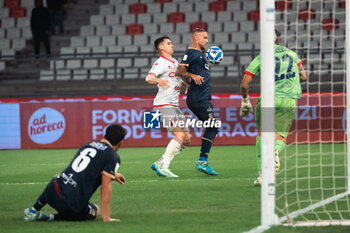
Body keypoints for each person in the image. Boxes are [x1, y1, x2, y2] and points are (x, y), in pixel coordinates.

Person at [240, 29, 307, 186]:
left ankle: (262, 175)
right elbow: (303, 76)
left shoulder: (262, 57)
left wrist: (245, 101)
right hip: (289, 99)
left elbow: (245, 83)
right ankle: (275, 150)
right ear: (279, 39)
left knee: (262, 135)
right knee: (280, 137)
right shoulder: (292, 54)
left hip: (269, 98)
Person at [24, 124, 126, 222]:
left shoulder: (88, 145)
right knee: (95, 210)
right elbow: (105, 188)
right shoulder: (112, 156)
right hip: (71, 205)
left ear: (104, 135)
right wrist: (106, 217)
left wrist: (113, 174)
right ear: (121, 142)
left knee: (57, 178)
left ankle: (33, 210)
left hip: (52, 192)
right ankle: (50, 217)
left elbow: (86, 167)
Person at [175, 28, 220, 176]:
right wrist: (191, 75)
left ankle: (203, 161)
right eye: (204, 37)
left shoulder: (201, 55)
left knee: (212, 127)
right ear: (196, 38)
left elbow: (186, 77)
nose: (207, 40)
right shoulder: (191, 53)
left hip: (203, 98)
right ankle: (202, 162)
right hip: (198, 99)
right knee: (213, 127)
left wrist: (188, 82)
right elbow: (179, 71)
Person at [146, 36, 190, 178]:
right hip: (164, 104)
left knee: (186, 140)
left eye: (172, 42)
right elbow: (148, 78)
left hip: (174, 105)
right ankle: (164, 165)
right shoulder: (161, 62)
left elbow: (175, 78)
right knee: (179, 135)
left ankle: (161, 162)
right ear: (161, 47)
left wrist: (184, 85)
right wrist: (158, 80)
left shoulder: (174, 61)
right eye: (168, 43)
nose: (172, 45)